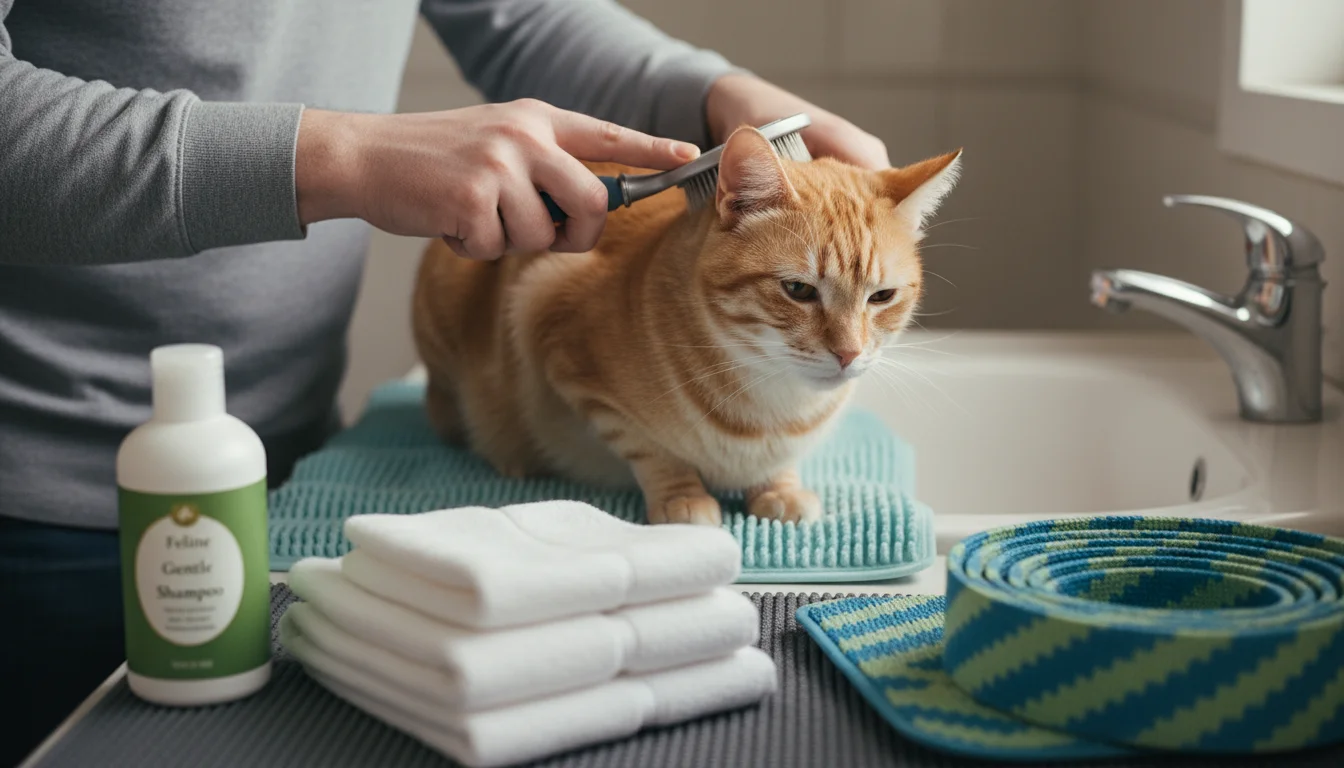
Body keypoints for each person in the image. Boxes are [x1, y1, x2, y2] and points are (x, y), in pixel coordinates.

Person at [0, 1, 889, 762]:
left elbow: (520, 14)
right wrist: (346, 155)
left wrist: (711, 96)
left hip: (295, 444)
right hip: (49, 486)